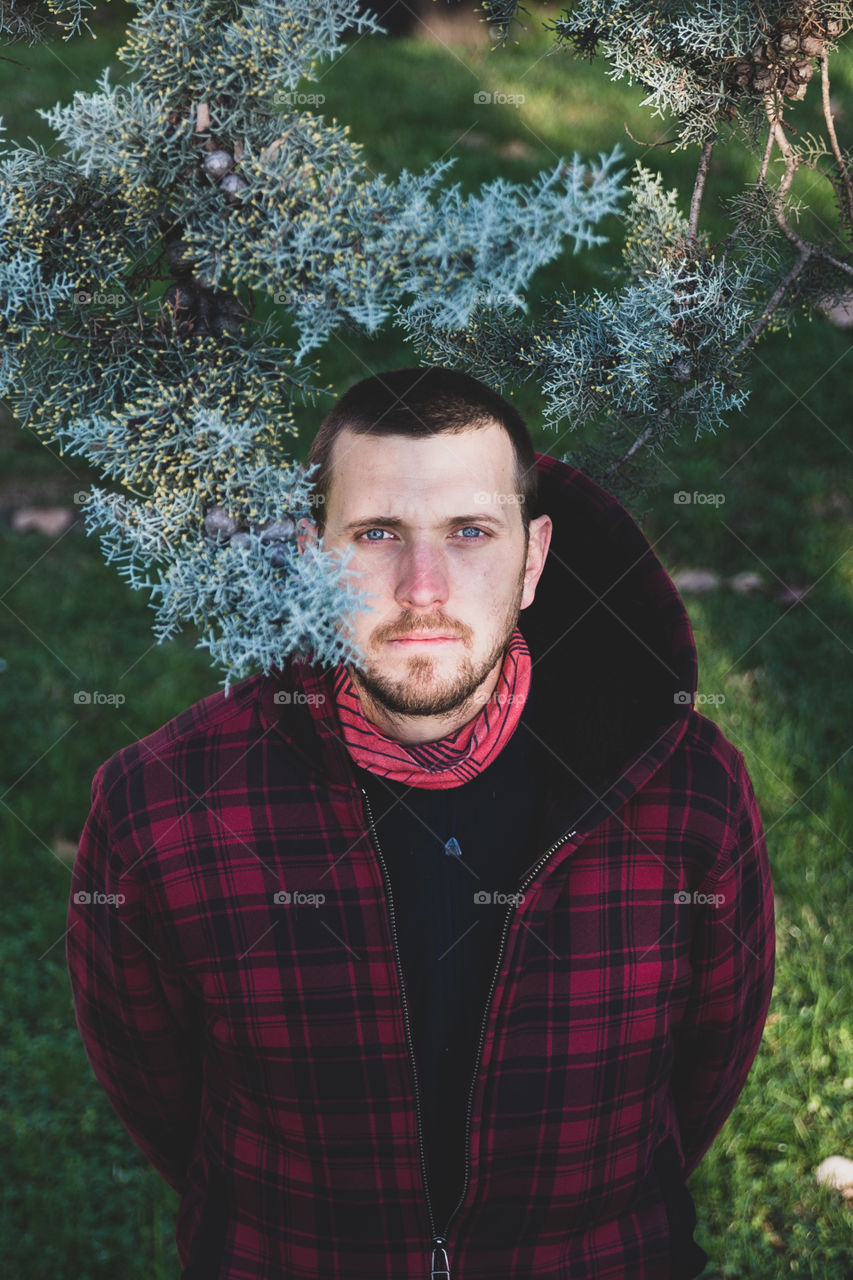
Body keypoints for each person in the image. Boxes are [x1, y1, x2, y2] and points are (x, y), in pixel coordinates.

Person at [67, 366, 775, 1279]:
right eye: (376, 534)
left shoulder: (687, 790)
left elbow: (706, 1070)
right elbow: (162, 1096)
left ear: (532, 559)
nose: (423, 587)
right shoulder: (161, 807)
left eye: (470, 532)